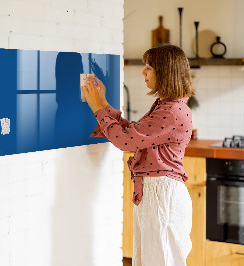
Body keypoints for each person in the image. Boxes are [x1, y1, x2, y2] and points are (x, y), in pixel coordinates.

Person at [82, 44, 194, 266]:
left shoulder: (171, 111)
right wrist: (103, 103)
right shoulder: (167, 106)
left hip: (162, 195)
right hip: (157, 193)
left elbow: (125, 141)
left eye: (149, 67)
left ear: (165, 72)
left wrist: (97, 108)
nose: (143, 72)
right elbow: (133, 133)